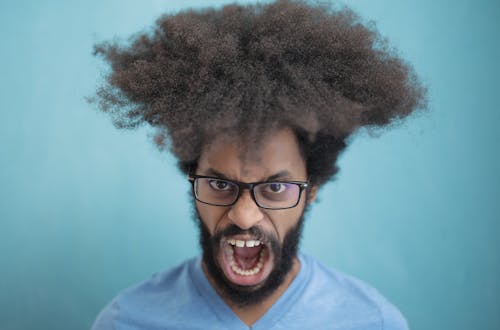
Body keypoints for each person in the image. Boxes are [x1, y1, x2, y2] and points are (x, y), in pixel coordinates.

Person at [90, 0, 426, 328]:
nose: (244, 215)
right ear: (192, 178)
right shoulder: (127, 321)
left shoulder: (372, 322)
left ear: (311, 190)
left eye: (275, 187)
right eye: (220, 185)